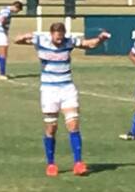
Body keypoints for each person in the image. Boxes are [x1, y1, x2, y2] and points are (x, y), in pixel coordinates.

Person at [14, 22, 110, 177]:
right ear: (51, 34)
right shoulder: (41, 40)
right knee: (51, 128)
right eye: (56, 37)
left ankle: (78, 163)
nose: (59, 40)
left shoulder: (69, 40)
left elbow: (88, 45)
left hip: (67, 88)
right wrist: (25, 35)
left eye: (61, 37)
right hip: (49, 90)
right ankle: (51, 164)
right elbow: (17, 40)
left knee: (73, 125)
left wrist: (100, 39)